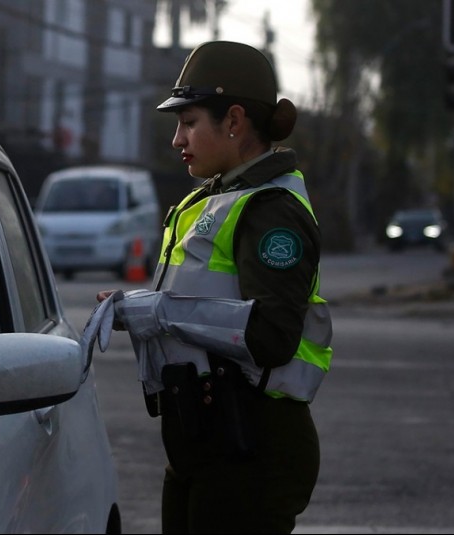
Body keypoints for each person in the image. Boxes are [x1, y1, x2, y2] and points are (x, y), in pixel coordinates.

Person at [90, 41, 333, 533]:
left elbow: (271, 336)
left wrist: (158, 311)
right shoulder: (214, 199)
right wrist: (139, 308)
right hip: (205, 439)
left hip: (250, 447)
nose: (177, 139)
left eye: (190, 122)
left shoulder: (271, 211)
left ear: (235, 121)